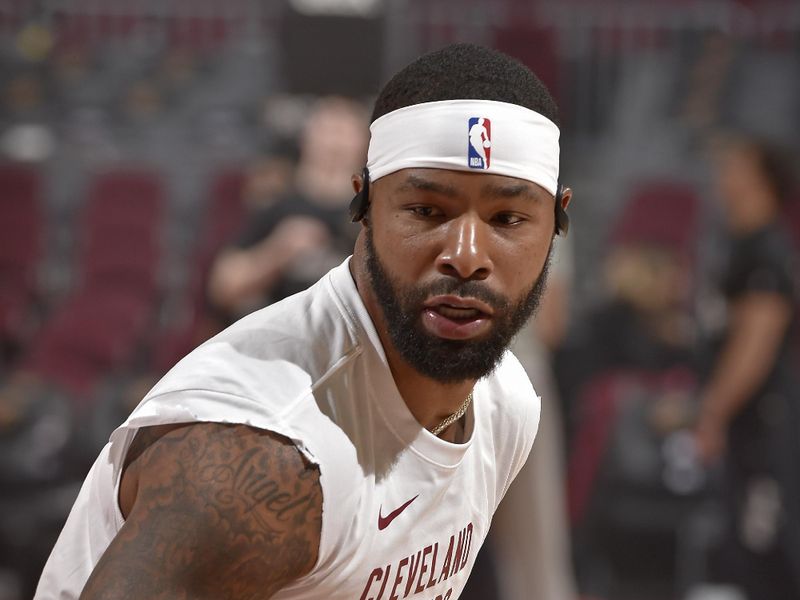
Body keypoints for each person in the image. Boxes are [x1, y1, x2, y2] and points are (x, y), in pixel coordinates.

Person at [35, 43, 572, 599]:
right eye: (427, 211)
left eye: (508, 218)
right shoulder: (260, 457)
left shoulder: (504, 403)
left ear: (558, 222)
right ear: (362, 205)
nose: (465, 254)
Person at [695, 135, 799, 600]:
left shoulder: (767, 251)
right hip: (743, 429)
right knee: (736, 547)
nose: (724, 178)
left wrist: (713, 412)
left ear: (761, 180)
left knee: (764, 548)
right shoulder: (735, 246)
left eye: (735, 167)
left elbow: (754, 346)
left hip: (765, 429)